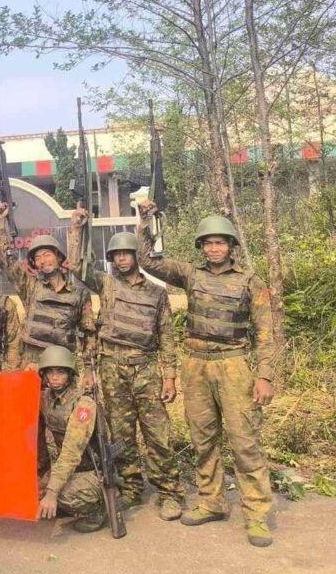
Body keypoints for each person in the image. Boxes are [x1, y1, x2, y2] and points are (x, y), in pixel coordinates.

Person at [136, 203, 276, 548]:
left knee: (244, 442)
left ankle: (256, 515)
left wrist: (265, 376)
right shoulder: (190, 275)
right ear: (201, 246)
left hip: (234, 365)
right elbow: (147, 261)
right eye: (208, 243)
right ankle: (211, 501)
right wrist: (145, 221)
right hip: (196, 365)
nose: (214, 248)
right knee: (203, 438)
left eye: (220, 243)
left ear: (231, 246)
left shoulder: (250, 281)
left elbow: (265, 332)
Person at [68, 209, 183, 520]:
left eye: (126, 254)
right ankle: (130, 487)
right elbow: (77, 266)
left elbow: (166, 335)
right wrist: (76, 230)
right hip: (111, 366)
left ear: (135, 256)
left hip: (145, 368)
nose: (120, 259)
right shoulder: (106, 284)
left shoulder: (157, 293)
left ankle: (169, 491)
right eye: (115, 255)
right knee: (121, 434)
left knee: (157, 434)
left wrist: (170, 376)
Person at [0, 201, 95, 372]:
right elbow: (5, 260)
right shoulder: (30, 286)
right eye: (37, 258)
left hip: (62, 364)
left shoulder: (80, 295)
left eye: (47, 254)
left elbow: (89, 335)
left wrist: (89, 371)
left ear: (59, 257)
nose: (43, 261)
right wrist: (1, 222)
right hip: (30, 363)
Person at [36, 344, 107, 533]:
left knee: (62, 495)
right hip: (65, 467)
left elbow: (71, 452)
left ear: (70, 374)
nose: (54, 377)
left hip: (88, 470)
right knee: (32, 491)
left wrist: (52, 492)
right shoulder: (46, 397)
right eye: (49, 372)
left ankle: (96, 510)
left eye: (60, 372)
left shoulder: (83, 404)